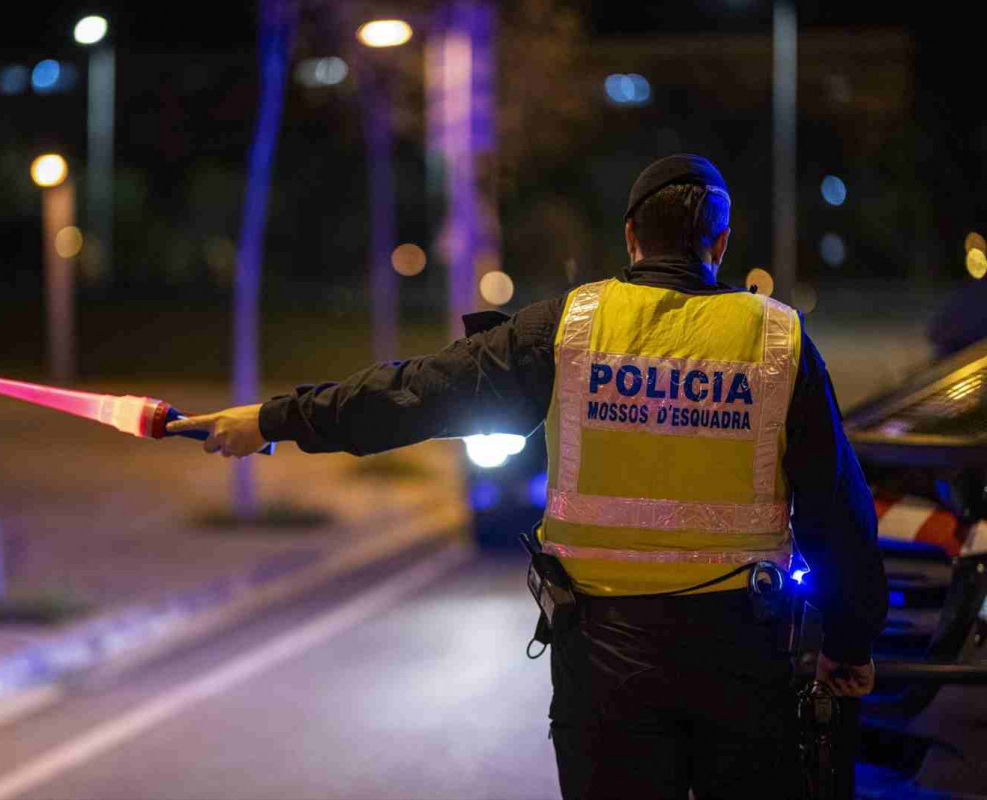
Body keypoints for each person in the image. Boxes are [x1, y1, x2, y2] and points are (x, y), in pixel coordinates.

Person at [168, 154, 887, 799]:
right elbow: (837, 509)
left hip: (604, 663)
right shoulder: (777, 338)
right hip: (743, 652)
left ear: (630, 238)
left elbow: (412, 394)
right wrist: (849, 643)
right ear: (719, 244)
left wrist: (271, 420)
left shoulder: (567, 327)